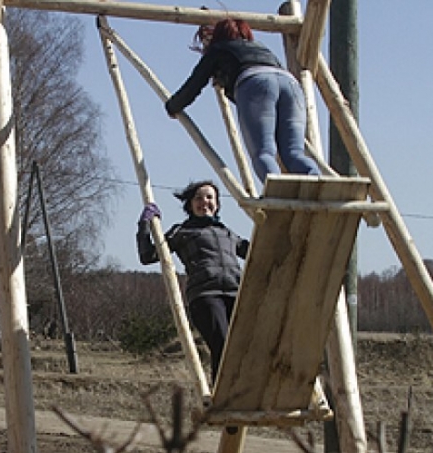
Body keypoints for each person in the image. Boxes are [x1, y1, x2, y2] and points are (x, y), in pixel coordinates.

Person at [165, 17, 321, 182]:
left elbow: (194, 85)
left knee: (263, 152)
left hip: (255, 82)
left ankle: (276, 189)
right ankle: (316, 179)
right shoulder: (260, 47)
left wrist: (172, 106)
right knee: (294, 152)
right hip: (290, 84)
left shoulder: (218, 49)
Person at [137, 180, 248, 380]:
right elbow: (148, 255)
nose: (204, 202)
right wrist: (145, 224)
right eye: (198, 198)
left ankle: (242, 392)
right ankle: (222, 394)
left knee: (243, 349)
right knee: (222, 345)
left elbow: (258, 252)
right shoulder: (182, 232)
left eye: (209, 197)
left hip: (236, 293)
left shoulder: (228, 233)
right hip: (206, 295)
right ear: (190, 204)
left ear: (217, 204)